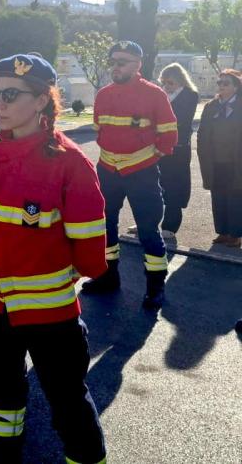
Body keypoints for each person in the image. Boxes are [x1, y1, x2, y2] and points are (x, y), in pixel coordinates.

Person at [0, 53, 107, 464]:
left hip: (49, 312)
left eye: (11, 94)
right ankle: (3, 450)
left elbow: (90, 253)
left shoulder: (70, 162)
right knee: (1, 391)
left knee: (67, 399)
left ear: (42, 100)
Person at [82, 41, 177, 310]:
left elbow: (169, 133)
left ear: (138, 64)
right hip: (108, 169)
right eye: (112, 61)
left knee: (148, 231)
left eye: (121, 61)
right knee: (105, 225)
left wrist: (150, 156)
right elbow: (99, 128)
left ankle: (155, 286)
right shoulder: (103, 94)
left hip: (142, 172)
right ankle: (108, 277)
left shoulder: (154, 94)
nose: (115, 67)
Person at [153, 63, 199, 239]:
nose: (166, 86)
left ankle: (170, 226)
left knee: (174, 186)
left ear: (180, 80)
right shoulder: (163, 95)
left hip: (178, 148)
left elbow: (180, 119)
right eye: (163, 82)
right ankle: (151, 221)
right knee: (157, 186)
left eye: (169, 82)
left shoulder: (190, 95)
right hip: (159, 147)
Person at [196, 69, 242, 248]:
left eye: (226, 83)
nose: (221, 86)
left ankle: (236, 234)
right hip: (214, 161)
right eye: (219, 83)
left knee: (235, 197)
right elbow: (201, 132)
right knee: (218, 196)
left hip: (236, 162)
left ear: (236, 87)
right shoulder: (211, 106)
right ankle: (222, 232)